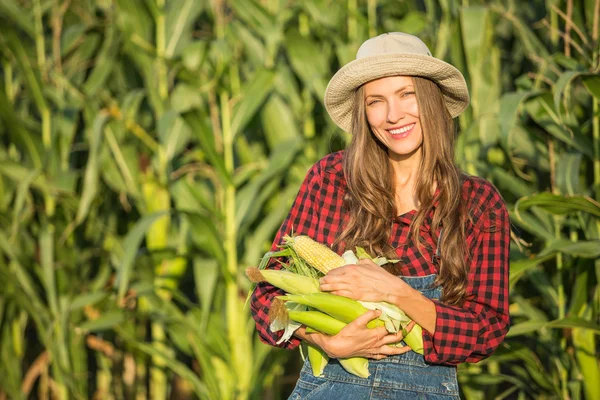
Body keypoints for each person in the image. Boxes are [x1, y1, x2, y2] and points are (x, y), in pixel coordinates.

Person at [250, 32, 510, 399]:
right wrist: (325, 340)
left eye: (407, 95)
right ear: (363, 112)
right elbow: (266, 300)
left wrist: (399, 293)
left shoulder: (478, 203)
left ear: (431, 101)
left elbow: (487, 330)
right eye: (376, 101)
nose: (393, 115)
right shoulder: (330, 180)